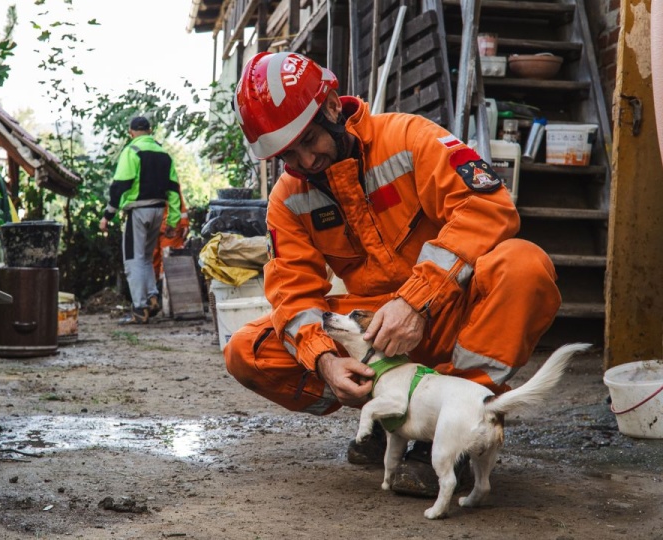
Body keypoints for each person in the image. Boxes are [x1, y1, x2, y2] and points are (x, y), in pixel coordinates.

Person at [224, 52, 561, 494]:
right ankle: (393, 416)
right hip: (374, 339)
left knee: (524, 265)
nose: (306, 162)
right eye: (289, 155)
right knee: (247, 350)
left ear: (330, 107)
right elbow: (292, 293)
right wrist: (326, 363)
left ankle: (454, 423)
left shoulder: (408, 138)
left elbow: (489, 207)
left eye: (309, 142)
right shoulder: (288, 199)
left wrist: (415, 300)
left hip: (450, 315)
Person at [100, 116, 184, 325]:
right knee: (146, 257)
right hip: (158, 211)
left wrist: (107, 215)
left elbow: (120, 185)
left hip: (138, 212)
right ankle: (152, 297)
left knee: (133, 259)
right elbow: (174, 191)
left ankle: (139, 308)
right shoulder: (164, 155)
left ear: (131, 132)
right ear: (150, 130)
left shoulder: (132, 151)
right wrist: (173, 220)